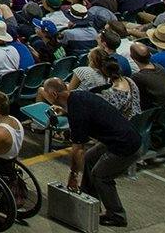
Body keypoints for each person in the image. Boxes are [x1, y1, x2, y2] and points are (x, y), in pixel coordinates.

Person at [40, 76, 138, 228]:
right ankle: (90, 201)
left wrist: (73, 175)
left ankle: (116, 215)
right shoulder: (79, 96)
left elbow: (78, 149)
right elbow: (87, 112)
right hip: (121, 136)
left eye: (45, 93)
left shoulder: (76, 111)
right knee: (90, 158)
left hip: (125, 146)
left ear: (53, 95)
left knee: (100, 175)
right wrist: (65, 112)